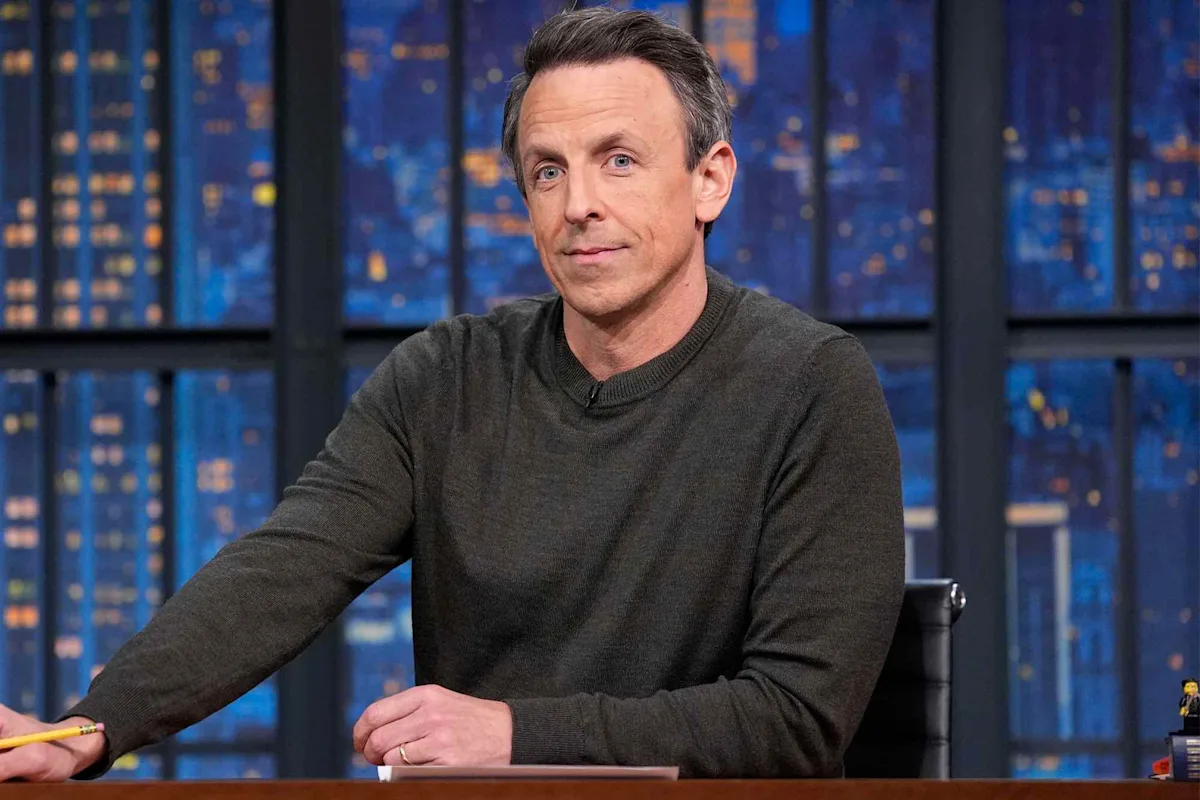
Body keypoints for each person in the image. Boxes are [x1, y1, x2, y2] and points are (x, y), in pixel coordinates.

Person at [0, 7, 904, 782]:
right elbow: (282, 571)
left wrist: (516, 735)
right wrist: (92, 727)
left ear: (711, 180)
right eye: (547, 171)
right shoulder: (445, 378)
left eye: (619, 160)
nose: (578, 204)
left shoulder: (811, 385)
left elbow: (797, 717)